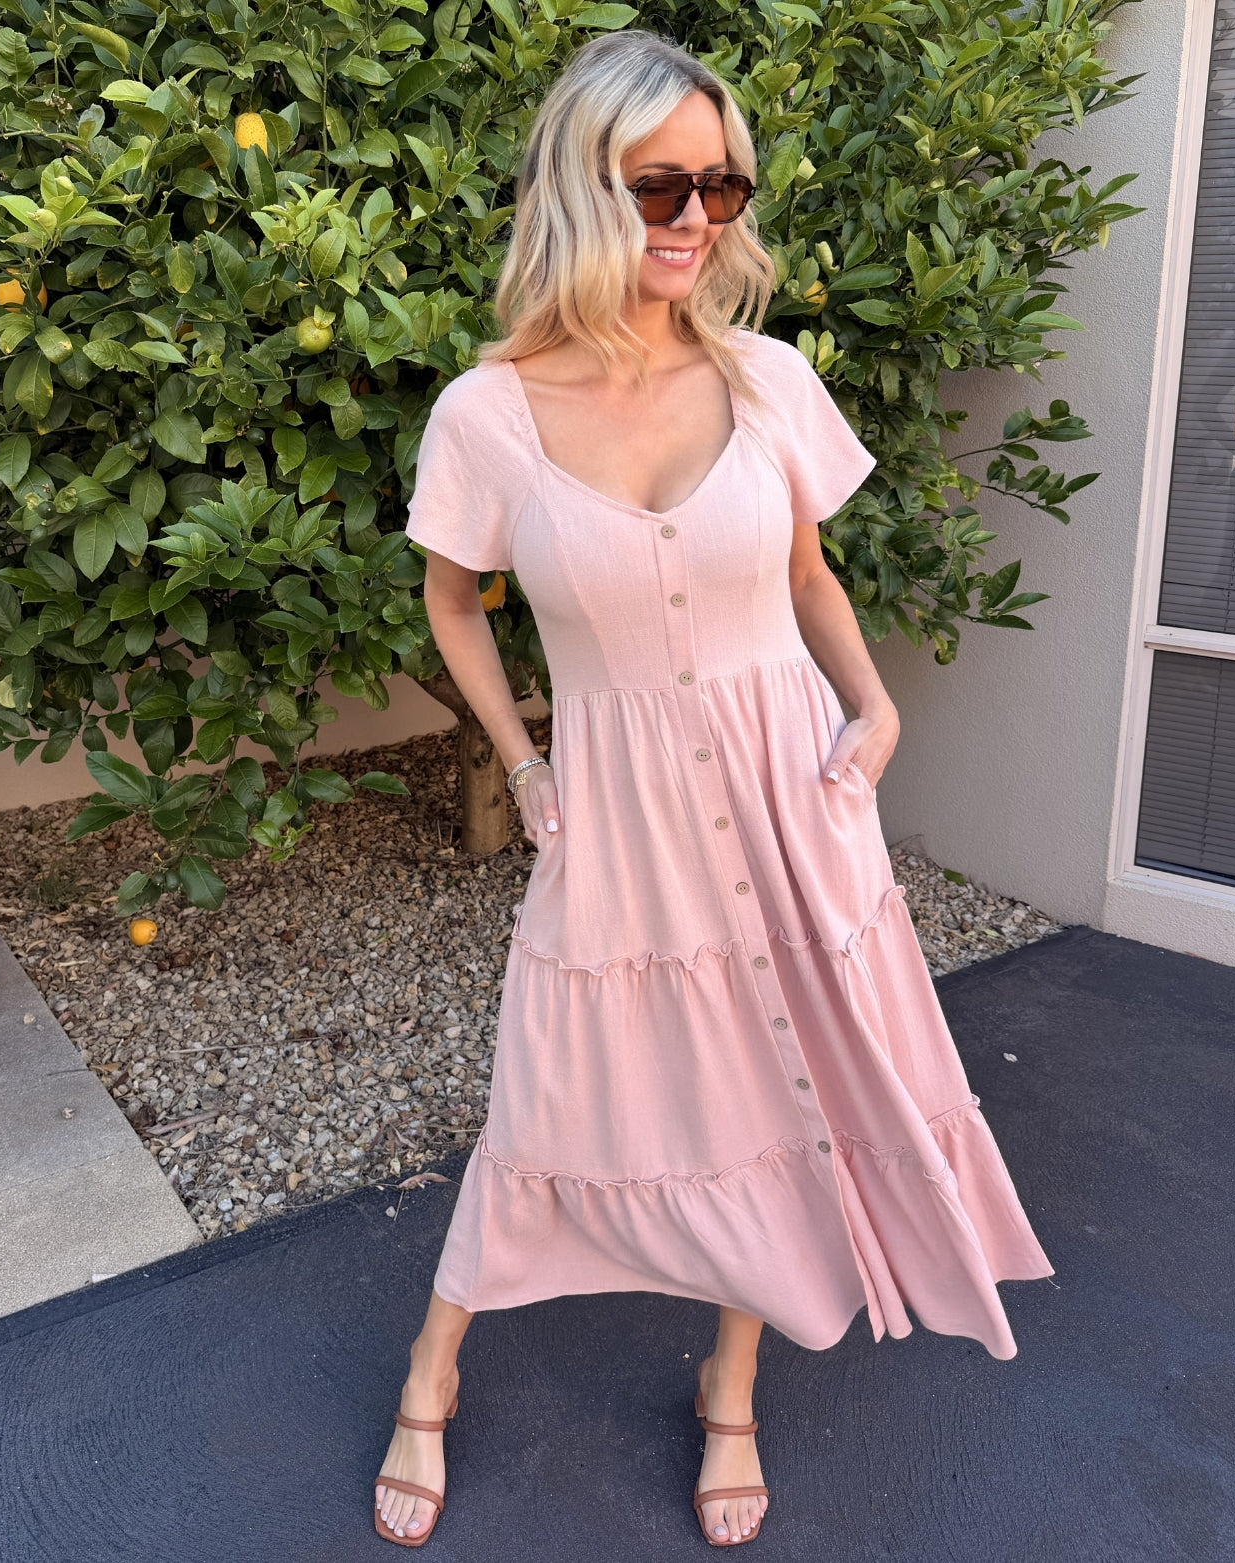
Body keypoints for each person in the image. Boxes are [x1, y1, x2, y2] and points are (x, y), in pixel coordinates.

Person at [376, 28, 1054, 1550]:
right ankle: (434, 1366)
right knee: (549, 1094)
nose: (696, 217)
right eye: (659, 185)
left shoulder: (767, 381)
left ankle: (731, 1390)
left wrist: (875, 707)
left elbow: (808, 575)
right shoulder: (486, 414)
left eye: (722, 185)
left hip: (791, 799)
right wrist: (524, 762)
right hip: (616, 817)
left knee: (782, 1088)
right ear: (581, 187)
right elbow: (451, 599)